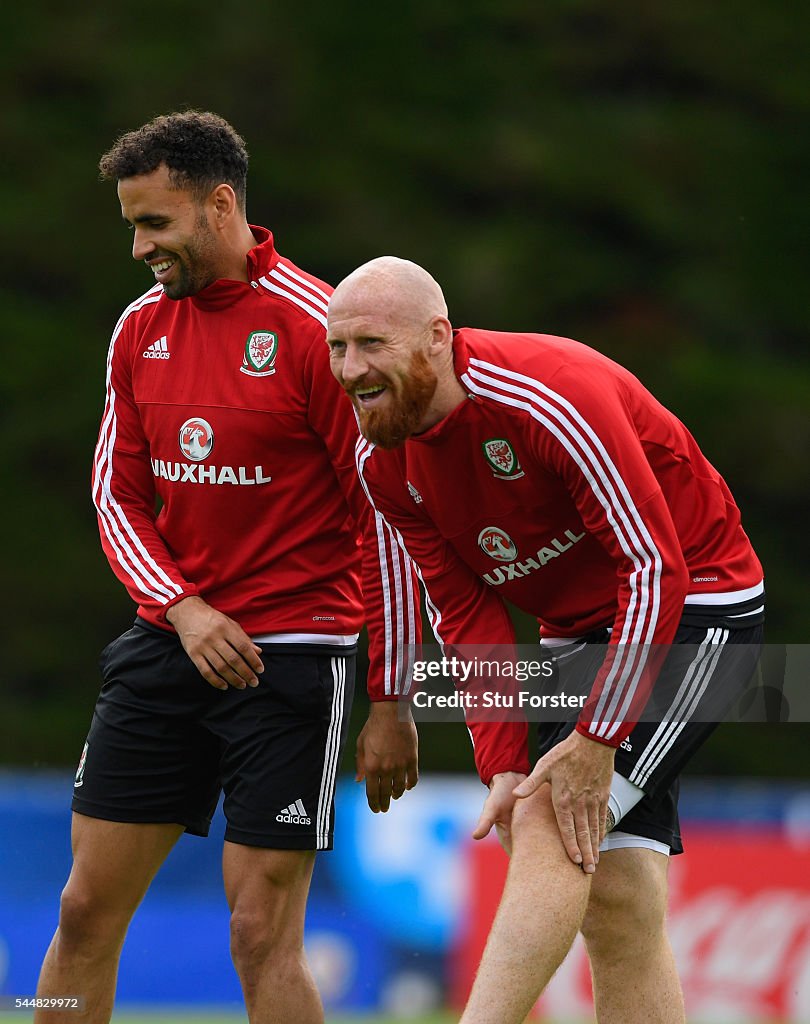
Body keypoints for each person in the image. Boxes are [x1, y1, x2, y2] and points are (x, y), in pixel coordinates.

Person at [34, 114, 419, 1024]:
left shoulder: (324, 334)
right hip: (170, 643)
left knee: (258, 931)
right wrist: (183, 608)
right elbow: (115, 498)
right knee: (84, 908)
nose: (139, 246)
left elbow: (385, 520)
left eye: (156, 223)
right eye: (131, 224)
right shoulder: (137, 331)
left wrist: (391, 697)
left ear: (220, 205)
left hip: (290, 664)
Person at [326, 256, 764, 1024]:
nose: (350, 370)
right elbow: (466, 618)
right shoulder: (382, 463)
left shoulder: (550, 396)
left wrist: (597, 739)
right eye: (337, 348)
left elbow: (652, 568)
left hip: (699, 607)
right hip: (579, 637)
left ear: (436, 337)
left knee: (552, 818)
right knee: (619, 902)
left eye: (370, 345)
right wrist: (500, 761)